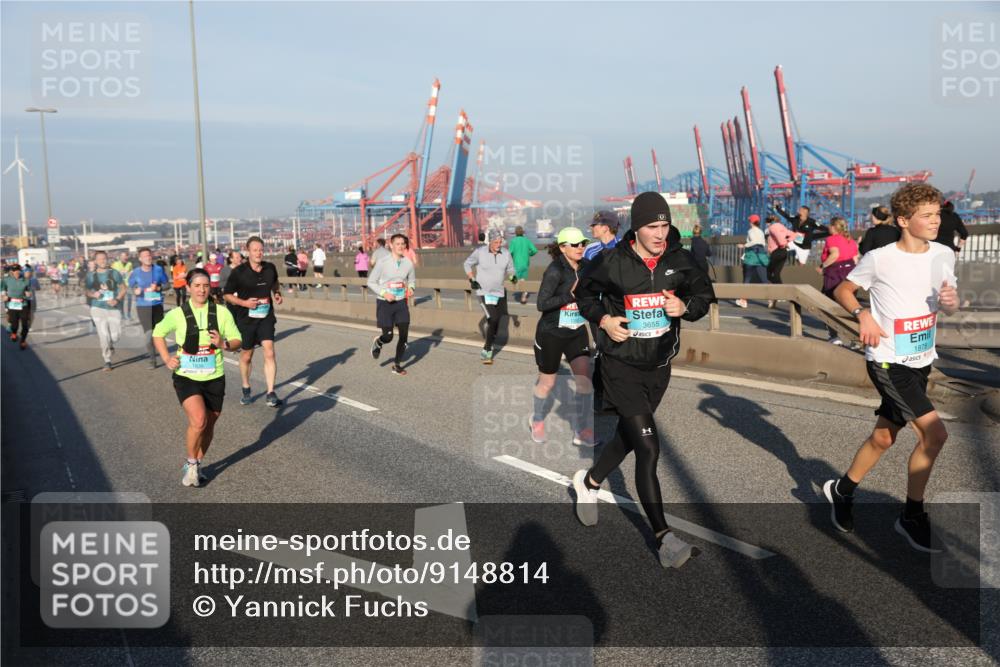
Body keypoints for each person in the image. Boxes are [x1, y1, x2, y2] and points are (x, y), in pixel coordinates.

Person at [572, 191, 715, 569]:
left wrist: (685, 307)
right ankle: (663, 539)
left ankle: (588, 483)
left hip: (659, 365)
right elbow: (584, 295)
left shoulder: (679, 260)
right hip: (620, 364)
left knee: (632, 435)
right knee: (649, 447)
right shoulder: (610, 262)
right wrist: (603, 320)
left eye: (665, 225)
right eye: (653, 226)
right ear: (636, 227)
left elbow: (704, 296)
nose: (660, 232)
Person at [824, 183, 959, 553]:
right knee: (935, 434)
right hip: (887, 360)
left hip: (921, 359)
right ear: (903, 220)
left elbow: (949, 303)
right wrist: (862, 314)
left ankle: (842, 490)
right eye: (927, 215)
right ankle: (912, 516)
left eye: (938, 214)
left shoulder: (945, 254)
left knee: (884, 437)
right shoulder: (880, 258)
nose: (936, 221)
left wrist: (950, 301)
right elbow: (843, 290)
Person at [153, 268, 242, 487]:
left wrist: (223, 343)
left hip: (214, 375)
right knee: (199, 420)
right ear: (188, 288)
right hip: (186, 375)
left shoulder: (221, 312)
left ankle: (198, 463)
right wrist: (166, 358)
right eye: (197, 286)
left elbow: (237, 340)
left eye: (205, 286)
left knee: (210, 424)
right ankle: (191, 463)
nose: (202, 290)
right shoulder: (178, 314)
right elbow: (158, 333)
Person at [531, 227, 595, 447]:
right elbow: (542, 304)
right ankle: (537, 419)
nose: (580, 248)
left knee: (585, 379)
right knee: (548, 382)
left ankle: (582, 429)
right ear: (563, 247)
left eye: (583, 244)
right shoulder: (555, 271)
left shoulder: (587, 267)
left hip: (576, 330)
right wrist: (569, 295)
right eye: (575, 244)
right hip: (551, 333)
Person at [223, 236, 284, 407]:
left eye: (261, 250)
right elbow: (227, 294)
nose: (258, 253)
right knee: (247, 355)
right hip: (246, 319)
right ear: (248, 251)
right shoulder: (239, 272)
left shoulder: (270, 268)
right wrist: (244, 303)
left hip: (266, 316)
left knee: (269, 351)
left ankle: (271, 392)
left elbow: (275, 283)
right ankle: (246, 387)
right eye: (255, 250)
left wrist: (277, 293)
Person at [464, 229, 517, 364]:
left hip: (499, 293)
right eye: (496, 242)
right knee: (493, 318)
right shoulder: (480, 252)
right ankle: (487, 350)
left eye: (500, 242)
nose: (499, 245)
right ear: (490, 241)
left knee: (496, 321)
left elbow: (511, 268)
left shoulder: (505, 253)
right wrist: (472, 280)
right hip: (483, 292)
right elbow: (467, 264)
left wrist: (512, 276)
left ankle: (489, 338)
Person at [367, 233, 416, 375]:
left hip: (401, 303)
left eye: (403, 244)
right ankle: (379, 342)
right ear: (391, 245)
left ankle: (397, 364)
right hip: (385, 303)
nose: (401, 246)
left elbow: (412, 280)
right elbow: (370, 282)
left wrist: (411, 288)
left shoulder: (408, 263)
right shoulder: (382, 262)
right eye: (397, 244)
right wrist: (384, 293)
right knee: (388, 336)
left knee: (404, 336)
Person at [818, 217, 860, 345]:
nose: (828, 228)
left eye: (829, 226)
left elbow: (834, 255)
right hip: (851, 272)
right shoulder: (850, 240)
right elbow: (856, 259)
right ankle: (856, 338)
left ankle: (834, 336)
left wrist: (822, 266)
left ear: (834, 227)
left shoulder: (831, 239)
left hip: (835, 272)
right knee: (849, 306)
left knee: (828, 305)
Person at [128, 247, 171, 369]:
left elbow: (167, 284)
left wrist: (158, 288)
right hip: (143, 306)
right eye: (145, 256)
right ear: (140, 258)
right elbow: (129, 288)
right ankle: (152, 360)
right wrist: (135, 291)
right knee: (149, 334)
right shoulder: (136, 272)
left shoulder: (158, 270)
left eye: (149, 255)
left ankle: (165, 356)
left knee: (159, 333)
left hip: (157, 305)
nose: (148, 257)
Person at [86, 250, 127, 371]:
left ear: (107, 259)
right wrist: (94, 294)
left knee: (115, 336)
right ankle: (107, 360)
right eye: (99, 259)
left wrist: (117, 299)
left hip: (113, 307)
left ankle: (111, 345)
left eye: (104, 258)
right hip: (97, 308)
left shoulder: (114, 273)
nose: (102, 261)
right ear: (95, 261)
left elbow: (123, 289)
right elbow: (87, 291)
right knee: (103, 336)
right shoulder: (91, 276)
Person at [735, 214, 769, 308]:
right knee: (764, 279)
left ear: (752, 222)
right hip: (761, 257)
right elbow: (762, 243)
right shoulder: (761, 232)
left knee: (747, 279)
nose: (749, 222)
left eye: (750, 221)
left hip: (751, 257)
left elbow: (754, 242)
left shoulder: (750, 231)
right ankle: (772, 298)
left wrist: (743, 245)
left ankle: (743, 300)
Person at [765, 214, 798, 307]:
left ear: (770, 222)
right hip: (783, 252)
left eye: (767, 222)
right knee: (776, 274)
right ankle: (778, 295)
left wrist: (783, 243)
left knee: (769, 273)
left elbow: (778, 236)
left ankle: (781, 293)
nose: (767, 224)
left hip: (777, 252)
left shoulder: (773, 227)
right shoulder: (782, 227)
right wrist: (787, 241)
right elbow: (794, 235)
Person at [1, 264, 32, 350]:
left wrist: (29, 294)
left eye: (18, 270)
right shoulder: (6, 280)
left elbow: (29, 291)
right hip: (12, 304)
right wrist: (3, 296)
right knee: (14, 324)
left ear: (20, 271)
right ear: (12, 272)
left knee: (25, 324)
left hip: (23, 304)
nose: (16, 272)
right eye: (15, 271)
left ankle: (23, 341)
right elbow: (2, 288)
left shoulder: (26, 280)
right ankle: (14, 333)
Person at [508, 226, 538, 304]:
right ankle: (524, 295)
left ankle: (522, 291)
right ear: (523, 232)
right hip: (525, 263)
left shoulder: (513, 241)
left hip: (516, 263)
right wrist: (529, 254)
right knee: (522, 280)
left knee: (512, 277)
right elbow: (535, 250)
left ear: (515, 233)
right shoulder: (527, 240)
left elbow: (509, 252)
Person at [111, 251, 134, 320]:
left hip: (128, 284)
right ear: (120, 257)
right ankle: (122, 314)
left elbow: (131, 272)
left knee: (129, 299)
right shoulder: (115, 264)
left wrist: (130, 273)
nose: (124, 257)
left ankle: (129, 314)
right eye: (123, 256)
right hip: (120, 285)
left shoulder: (130, 264)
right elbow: (112, 273)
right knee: (121, 300)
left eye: (126, 256)